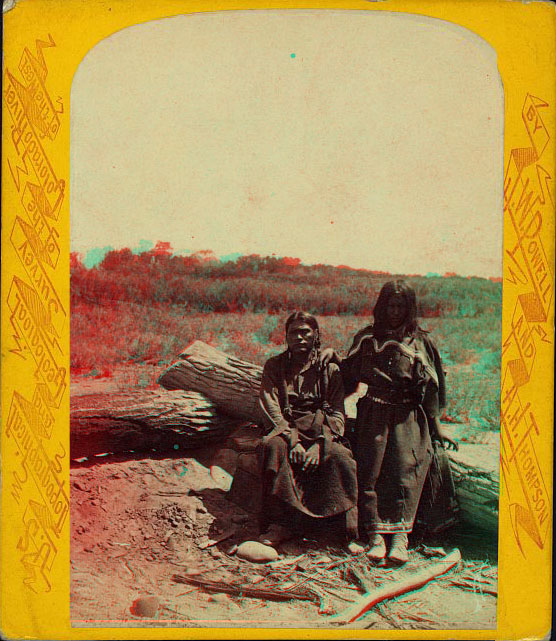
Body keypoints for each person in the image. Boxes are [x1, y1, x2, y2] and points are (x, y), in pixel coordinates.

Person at [329, 280, 457, 564]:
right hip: (373, 413)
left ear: (410, 308)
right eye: (390, 305)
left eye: (401, 306)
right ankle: (375, 536)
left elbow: (433, 388)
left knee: (404, 470)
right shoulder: (366, 338)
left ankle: (400, 538)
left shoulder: (421, 342)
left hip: (408, 416)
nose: (395, 311)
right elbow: (346, 376)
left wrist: (437, 428)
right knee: (370, 471)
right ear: (382, 306)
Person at [257, 312, 358, 547]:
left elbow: (336, 412)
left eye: (306, 332)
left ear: (316, 335)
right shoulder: (275, 366)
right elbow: (269, 404)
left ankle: (343, 530)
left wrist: (319, 445)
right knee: (271, 448)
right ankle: (280, 525)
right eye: (294, 332)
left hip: (321, 429)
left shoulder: (329, 370)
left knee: (341, 458)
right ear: (286, 337)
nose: (300, 337)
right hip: (287, 428)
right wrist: (292, 439)